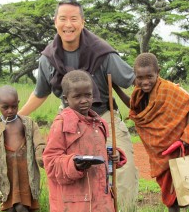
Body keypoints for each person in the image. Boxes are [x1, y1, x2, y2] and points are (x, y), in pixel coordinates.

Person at [18, 0, 138, 210]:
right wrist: (16, 117)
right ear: (55, 22)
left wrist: (167, 89)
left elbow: (133, 80)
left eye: (74, 19)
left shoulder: (103, 52)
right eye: (63, 19)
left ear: (83, 22)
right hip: (69, 122)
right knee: (72, 175)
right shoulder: (47, 58)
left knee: (121, 178)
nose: (68, 24)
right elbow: (40, 93)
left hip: (104, 118)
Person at [128, 53, 189, 212]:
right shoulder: (138, 94)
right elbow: (137, 113)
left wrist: (187, 139)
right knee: (171, 200)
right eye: (140, 77)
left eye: (149, 76)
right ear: (135, 76)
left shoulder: (170, 90)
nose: (145, 81)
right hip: (162, 154)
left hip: (182, 149)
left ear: (158, 72)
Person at [42, 70, 127, 212]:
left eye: (88, 95)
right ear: (66, 99)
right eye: (77, 96)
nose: (84, 100)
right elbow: (50, 162)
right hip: (75, 203)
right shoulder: (62, 125)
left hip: (101, 200)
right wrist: (74, 164)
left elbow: (99, 155)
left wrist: (113, 156)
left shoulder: (99, 123)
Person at [0, 85, 46, 212]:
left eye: (14, 106)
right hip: (5, 176)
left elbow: (40, 146)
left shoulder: (29, 124)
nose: (10, 110)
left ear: (18, 103)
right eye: (5, 107)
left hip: (26, 175)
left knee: (23, 208)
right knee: (9, 209)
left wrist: (45, 160)